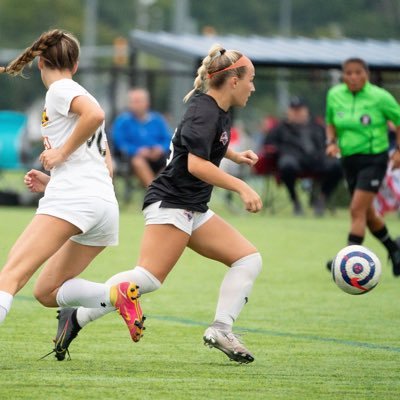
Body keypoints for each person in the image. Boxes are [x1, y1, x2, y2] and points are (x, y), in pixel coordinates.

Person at [50, 43, 263, 364]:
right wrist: (241, 187)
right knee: (147, 278)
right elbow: (195, 164)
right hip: (173, 202)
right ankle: (76, 316)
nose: (253, 86)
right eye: (251, 79)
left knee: (248, 259)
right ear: (233, 81)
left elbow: (198, 145)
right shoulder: (204, 110)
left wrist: (234, 154)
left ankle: (221, 328)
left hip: (192, 205)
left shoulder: (216, 109)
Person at [0, 29, 145, 358]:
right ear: (76, 64)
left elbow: (96, 115)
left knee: (10, 273)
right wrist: (53, 181)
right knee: (47, 291)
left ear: (40, 62)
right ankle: (115, 294)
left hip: (76, 200)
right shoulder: (76, 91)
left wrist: (61, 154)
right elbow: (98, 164)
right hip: (102, 204)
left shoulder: (60, 89)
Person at [325, 57, 400, 275]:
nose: (353, 77)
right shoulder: (335, 94)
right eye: (349, 73)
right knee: (366, 213)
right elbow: (330, 122)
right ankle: (394, 249)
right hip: (349, 160)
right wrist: (331, 142)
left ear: (366, 74)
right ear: (343, 75)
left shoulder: (380, 96)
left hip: (374, 159)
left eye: (358, 72)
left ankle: (345, 261)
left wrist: (398, 151)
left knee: (356, 209)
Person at [264, 96, 343, 215]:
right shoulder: (280, 128)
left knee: (338, 165)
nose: (296, 113)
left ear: (306, 111)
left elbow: (328, 142)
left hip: (317, 159)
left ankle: (322, 198)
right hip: (293, 159)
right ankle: (295, 200)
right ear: (288, 111)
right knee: (286, 164)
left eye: (299, 110)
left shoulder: (317, 126)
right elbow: (268, 144)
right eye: (293, 110)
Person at [112, 87, 172, 188]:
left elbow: (168, 139)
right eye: (133, 101)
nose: (135, 104)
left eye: (138, 101)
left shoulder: (157, 119)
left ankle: (158, 191)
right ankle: (154, 193)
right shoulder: (122, 121)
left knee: (172, 164)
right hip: (134, 159)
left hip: (158, 157)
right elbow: (119, 143)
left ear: (147, 103)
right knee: (138, 161)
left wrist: (160, 148)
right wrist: (138, 151)